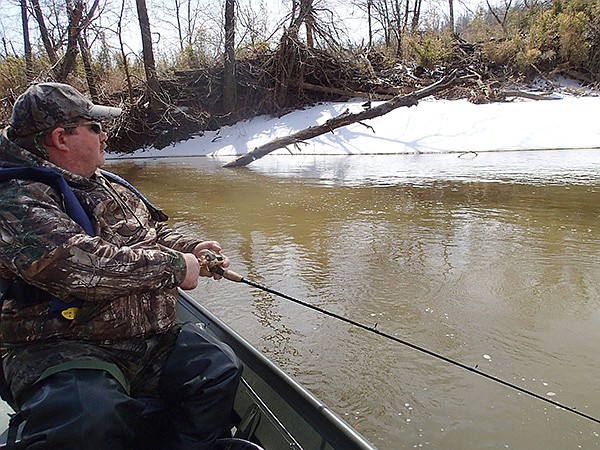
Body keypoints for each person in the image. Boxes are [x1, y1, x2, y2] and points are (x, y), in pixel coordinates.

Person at [0, 82, 243, 449]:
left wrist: (193, 249)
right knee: (89, 415)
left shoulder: (103, 183)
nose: (104, 135)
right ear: (60, 138)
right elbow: (80, 263)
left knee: (216, 368)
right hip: (60, 345)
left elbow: (146, 234)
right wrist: (177, 267)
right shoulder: (17, 200)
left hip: (145, 339)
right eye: (94, 127)